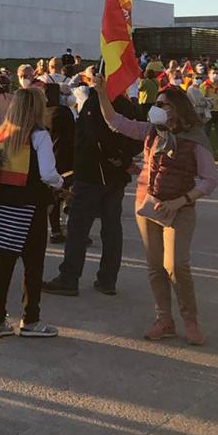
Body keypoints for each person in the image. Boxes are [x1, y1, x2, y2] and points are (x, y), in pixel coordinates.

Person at [90, 78, 218, 345]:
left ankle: (190, 320)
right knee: (154, 267)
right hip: (146, 205)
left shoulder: (195, 137)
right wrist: (102, 94)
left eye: (162, 104)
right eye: (156, 103)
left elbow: (209, 180)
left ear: (177, 109)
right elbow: (115, 121)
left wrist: (181, 200)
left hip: (179, 208)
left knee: (176, 265)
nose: (155, 107)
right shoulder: (151, 130)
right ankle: (164, 320)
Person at [0, 88, 64, 338]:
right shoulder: (39, 136)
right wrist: (60, 183)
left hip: (0, 204)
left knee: (3, 261)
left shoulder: (0, 133)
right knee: (33, 264)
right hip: (30, 206)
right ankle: (31, 319)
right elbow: (48, 174)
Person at [43, 81, 141, 297]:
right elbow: (137, 139)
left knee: (79, 229)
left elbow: (95, 139)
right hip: (113, 178)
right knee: (111, 229)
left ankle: (69, 278)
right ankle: (107, 279)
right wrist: (124, 160)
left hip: (93, 176)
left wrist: (119, 159)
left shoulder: (95, 105)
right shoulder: (125, 105)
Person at [42, 82, 76, 244]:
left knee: (53, 195)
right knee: (70, 193)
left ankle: (55, 230)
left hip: (48, 157)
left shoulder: (42, 113)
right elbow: (73, 136)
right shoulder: (63, 112)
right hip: (66, 158)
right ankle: (72, 227)